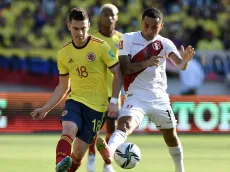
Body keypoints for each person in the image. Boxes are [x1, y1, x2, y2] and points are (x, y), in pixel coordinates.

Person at [96, 7, 195, 172]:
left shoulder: (165, 43)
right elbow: (124, 68)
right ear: (141, 22)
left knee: (170, 137)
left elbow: (179, 64)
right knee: (124, 125)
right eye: (146, 25)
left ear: (161, 26)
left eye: (154, 27)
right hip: (136, 96)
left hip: (159, 97)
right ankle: (108, 157)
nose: (149, 30)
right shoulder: (128, 39)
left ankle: (180, 169)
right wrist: (146, 63)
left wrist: (184, 62)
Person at [30, 7, 122, 172]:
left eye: (83, 28)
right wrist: (45, 109)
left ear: (88, 26)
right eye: (76, 29)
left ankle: (70, 163)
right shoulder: (63, 53)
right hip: (75, 100)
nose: (79, 33)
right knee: (69, 130)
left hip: (97, 107)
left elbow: (117, 73)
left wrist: (114, 101)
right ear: (68, 26)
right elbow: (63, 86)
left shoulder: (100, 47)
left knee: (78, 153)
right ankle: (60, 164)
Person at [85, 4, 122, 172]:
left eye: (112, 14)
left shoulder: (122, 39)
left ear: (117, 17)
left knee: (112, 129)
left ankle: (107, 163)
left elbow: (124, 67)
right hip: (96, 92)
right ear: (100, 17)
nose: (109, 17)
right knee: (93, 129)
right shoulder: (92, 39)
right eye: (105, 14)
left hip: (114, 92)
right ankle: (91, 157)